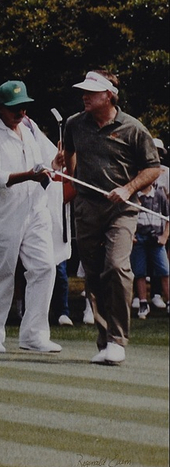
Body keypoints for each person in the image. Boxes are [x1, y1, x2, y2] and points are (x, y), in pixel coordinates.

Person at [57, 70, 161, 364]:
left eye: (91, 92)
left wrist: (128, 188)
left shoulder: (133, 128)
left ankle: (117, 340)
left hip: (122, 208)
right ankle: (105, 341)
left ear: (109, 95)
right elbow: (70, 152)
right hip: (87, 206)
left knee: (116, 266)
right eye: (84, 92)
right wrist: (71, 175)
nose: (84, 96)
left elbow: (153, 168)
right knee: (93, 274)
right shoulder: (75, 124)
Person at [0, 80, 62, 354]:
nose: (20, 113)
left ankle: (33, 334)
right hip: (3, 215)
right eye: (14, 109)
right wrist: (30, 176)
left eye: (23, 107)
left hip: (34, 209)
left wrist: (55, 164)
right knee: (2, 274)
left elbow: (47, 162)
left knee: (45, 267)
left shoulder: (30, 128)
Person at [130, 184, 169, 319]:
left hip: (157, 239)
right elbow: (128, 216)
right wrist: (132, 235)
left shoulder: (159, 194)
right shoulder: (134, 195)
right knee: (139, 272)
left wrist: (164, 236)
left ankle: (169, 301)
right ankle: (143, 303)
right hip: (139, 238)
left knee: (165, 271)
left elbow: (167, 217)